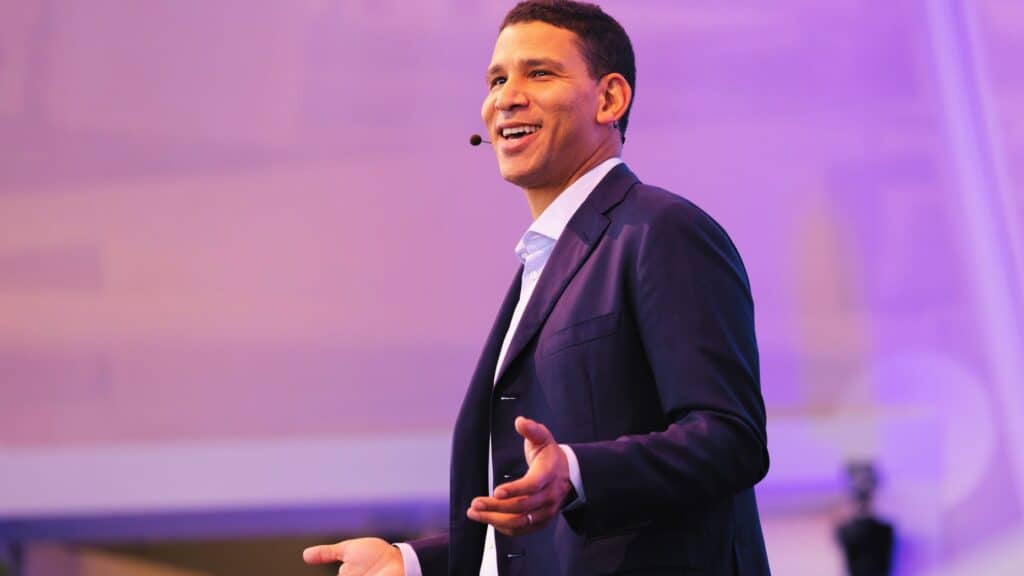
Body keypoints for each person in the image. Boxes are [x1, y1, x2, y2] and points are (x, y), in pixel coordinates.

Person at [303, 1, 770, 574]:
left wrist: (575, 470)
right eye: (497, 80)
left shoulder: (660, 231)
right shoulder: (543, 263)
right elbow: (536, 528)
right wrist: (412, 562)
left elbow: (729, 437)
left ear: (609, 99)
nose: (506, 97)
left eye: (539, 73)